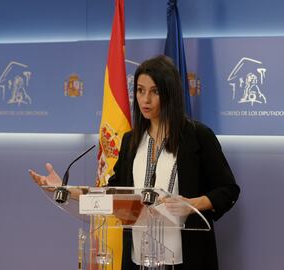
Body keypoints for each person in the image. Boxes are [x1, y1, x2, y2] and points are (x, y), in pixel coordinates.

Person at [30, 55, 240, 270]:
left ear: (170, 94)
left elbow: (228, 190)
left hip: (186, 257)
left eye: (154, 91)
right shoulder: (131, 140)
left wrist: (190, 205)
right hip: (138, 257)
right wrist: (65, 189)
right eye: (140, 90)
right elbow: (113, 193)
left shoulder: (198, 136)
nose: (145, 99)